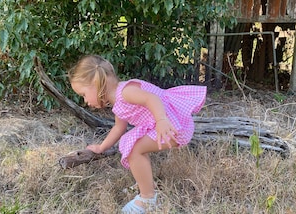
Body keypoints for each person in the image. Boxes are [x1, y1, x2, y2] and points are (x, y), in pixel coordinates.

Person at [68, 55, 207, 213]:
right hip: (166, 125)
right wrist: (101, 147)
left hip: (171, 126)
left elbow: (151, 98)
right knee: (132, 146)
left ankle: (147, 199)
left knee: (134, 149)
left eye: (84, 94)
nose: (85, 100)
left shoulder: (126, 92)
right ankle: (145, 184)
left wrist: (161, 120)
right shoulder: (118, 100)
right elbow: (119, 128)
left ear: (96, 83)